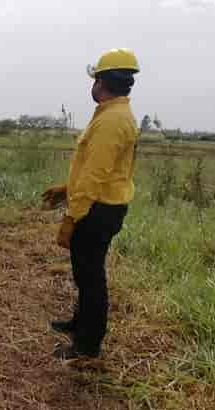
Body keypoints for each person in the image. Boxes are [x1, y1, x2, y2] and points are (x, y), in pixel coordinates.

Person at [44, 48, 140, 359]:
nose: (93, 85)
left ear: (102, 81)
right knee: (84, 273)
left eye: (95, 78)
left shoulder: (112, 121)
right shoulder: (111, 115)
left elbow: (96, 176)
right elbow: (94, 169)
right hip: (98, 205)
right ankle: (79, 323)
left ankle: (87, 346)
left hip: (97, 210)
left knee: (90, 276)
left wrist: (70, 219)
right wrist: (66, 188)